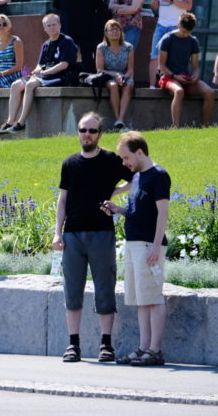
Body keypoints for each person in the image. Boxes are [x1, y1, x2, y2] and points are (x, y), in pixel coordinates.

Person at [53, 112, 132, 363]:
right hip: (72, 235)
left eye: (92, 130)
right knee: (72, 290)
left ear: (100, 134)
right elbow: (62, 200)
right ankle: (73, 344)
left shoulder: (111, 160)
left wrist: (113, 192)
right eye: (83, 130)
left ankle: (106, 345)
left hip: (102, 233)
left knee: (105, 288)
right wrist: (57, 232)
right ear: (78, 132)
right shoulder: (69, 163)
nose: (87, 134)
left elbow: (137, 176)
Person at [100, 131, 170, 366]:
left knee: (153, 297)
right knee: (141, 299)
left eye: (126, 157)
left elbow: (163, 213)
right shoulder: (138, 177)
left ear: (139, 152)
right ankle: (143, 348)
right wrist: (117, 209)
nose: (124, 163)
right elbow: (137, 212)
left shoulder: (159, 175)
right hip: (133, 244)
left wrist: (156, 246)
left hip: (149, 245)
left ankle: (155, 350)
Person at [0, 14, 78, 135]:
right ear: (44, 28)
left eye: (54, 24)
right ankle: (10, 121)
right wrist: (36, 71)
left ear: (60, 25)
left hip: (61, 76)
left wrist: (44, 72)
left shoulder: (67, 41)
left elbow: (64, 65)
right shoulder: (46, 44)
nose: (52, 28)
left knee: (30, 84)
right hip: (44, 75)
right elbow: (40, 64)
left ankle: (21, 123)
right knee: (15, 85)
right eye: (48, 25)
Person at [157, 12, 214, 128]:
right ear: (178, 25)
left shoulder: (193, 41)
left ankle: (205, 126)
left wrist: (195, 76)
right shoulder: (167, 39)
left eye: (188, 32)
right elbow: (161, 66)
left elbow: (196, 67)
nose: (185, 34)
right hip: (168, 77)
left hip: (185, 77)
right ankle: (176, 127)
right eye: (183, 31)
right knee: (179, 91)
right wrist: (174, 76)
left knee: (210, 92)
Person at [53, 0, 106, 73]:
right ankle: (88, 78)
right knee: (87, 55)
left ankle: (68, 77)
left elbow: (55, 4)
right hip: (87, 26)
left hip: (68, 25)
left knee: (67, 54)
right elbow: (99, 6)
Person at [149, 0, 194, 87]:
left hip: (176, 26)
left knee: (175, 58)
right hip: (161, 25)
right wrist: (155, 0)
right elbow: (154, 7)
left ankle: (176, 84)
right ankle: (152, 86)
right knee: (154, 56)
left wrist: (171, 0)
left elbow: (188, 6)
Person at [95, 19, 135, 131]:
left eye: (117, 29)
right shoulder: (101, 47)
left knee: (129, 84)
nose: (114, 32)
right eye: (111, 30)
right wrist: (116, 75)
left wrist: (124, 77)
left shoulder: (129, 47)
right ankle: (118, 119)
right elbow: (100, 70)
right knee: (113, 85)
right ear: (106, 33)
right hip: (107, 75)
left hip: (124, 76)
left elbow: (130, 69)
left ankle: (120, 119)